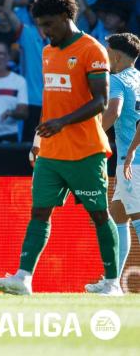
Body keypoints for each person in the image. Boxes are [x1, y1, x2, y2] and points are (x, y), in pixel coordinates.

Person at [0, 0, 122, 296]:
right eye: (40, 25)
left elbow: (101, 101)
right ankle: (23, 278)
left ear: (65, 17)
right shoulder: (49, 52)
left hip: (86, 151)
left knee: (99, 213)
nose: (44, 31)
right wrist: (39, 138)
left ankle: (112, 282)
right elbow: (53, 104)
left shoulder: (91, 49)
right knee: (39, 212)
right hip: (51, 151)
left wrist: (62, 123)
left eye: (48, 24)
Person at [89, 32, 140, 293]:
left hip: (132, 163)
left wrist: (93, 136)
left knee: (137, 218)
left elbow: (114, 111)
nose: (105, 56)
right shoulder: (139, 78)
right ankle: (113, 283)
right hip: (131, 161)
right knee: (119, 217)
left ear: (117, 56)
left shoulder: (118, 80)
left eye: (107, 52)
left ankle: (112, 284)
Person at [2, 0, 48, 142]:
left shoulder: (60, 35)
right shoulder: (26, 33)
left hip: (55, 101)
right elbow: (7, 10)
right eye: (36, 10)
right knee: (29, 146)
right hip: (32, 100)